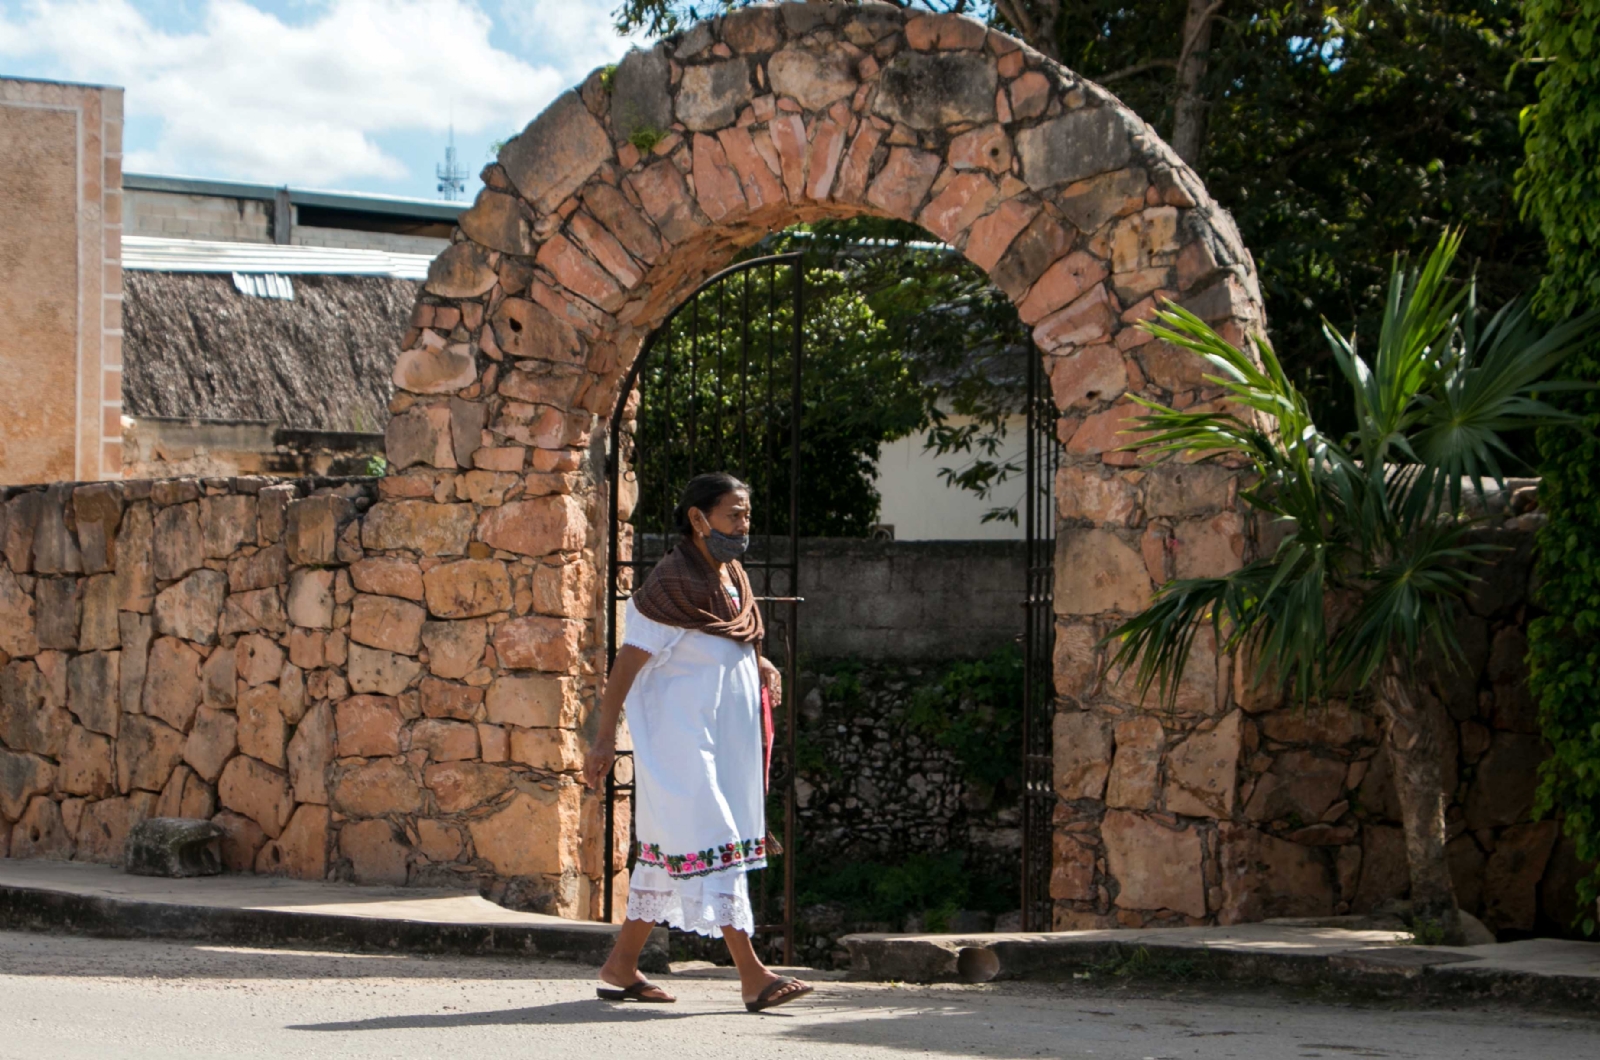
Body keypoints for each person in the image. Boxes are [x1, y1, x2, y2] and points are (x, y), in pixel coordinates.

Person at [583, 472, 814, 1013]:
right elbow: (625, 667)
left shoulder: (729, 575)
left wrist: (759, 661)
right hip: (681, 746)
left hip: (719, 740)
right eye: (734, 514)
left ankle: (620, 966)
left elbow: (722, 636)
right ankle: (754, 975)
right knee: (719, 843)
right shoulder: (667, 588)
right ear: (697, 518)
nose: (744, 525)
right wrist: (601, 741)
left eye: (747, 515)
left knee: (668, 859)